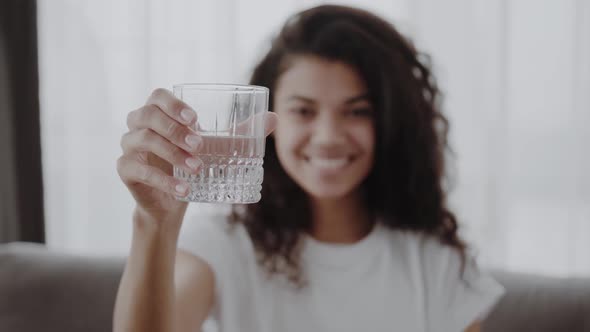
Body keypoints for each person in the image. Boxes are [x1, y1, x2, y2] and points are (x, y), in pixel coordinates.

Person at [114, 5, 504, 332]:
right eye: (303, 110)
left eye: (357, 111)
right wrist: (155, 223)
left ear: (390, 122)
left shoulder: (434, 263)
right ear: (268, 121)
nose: (328, 136)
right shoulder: (227, 244)